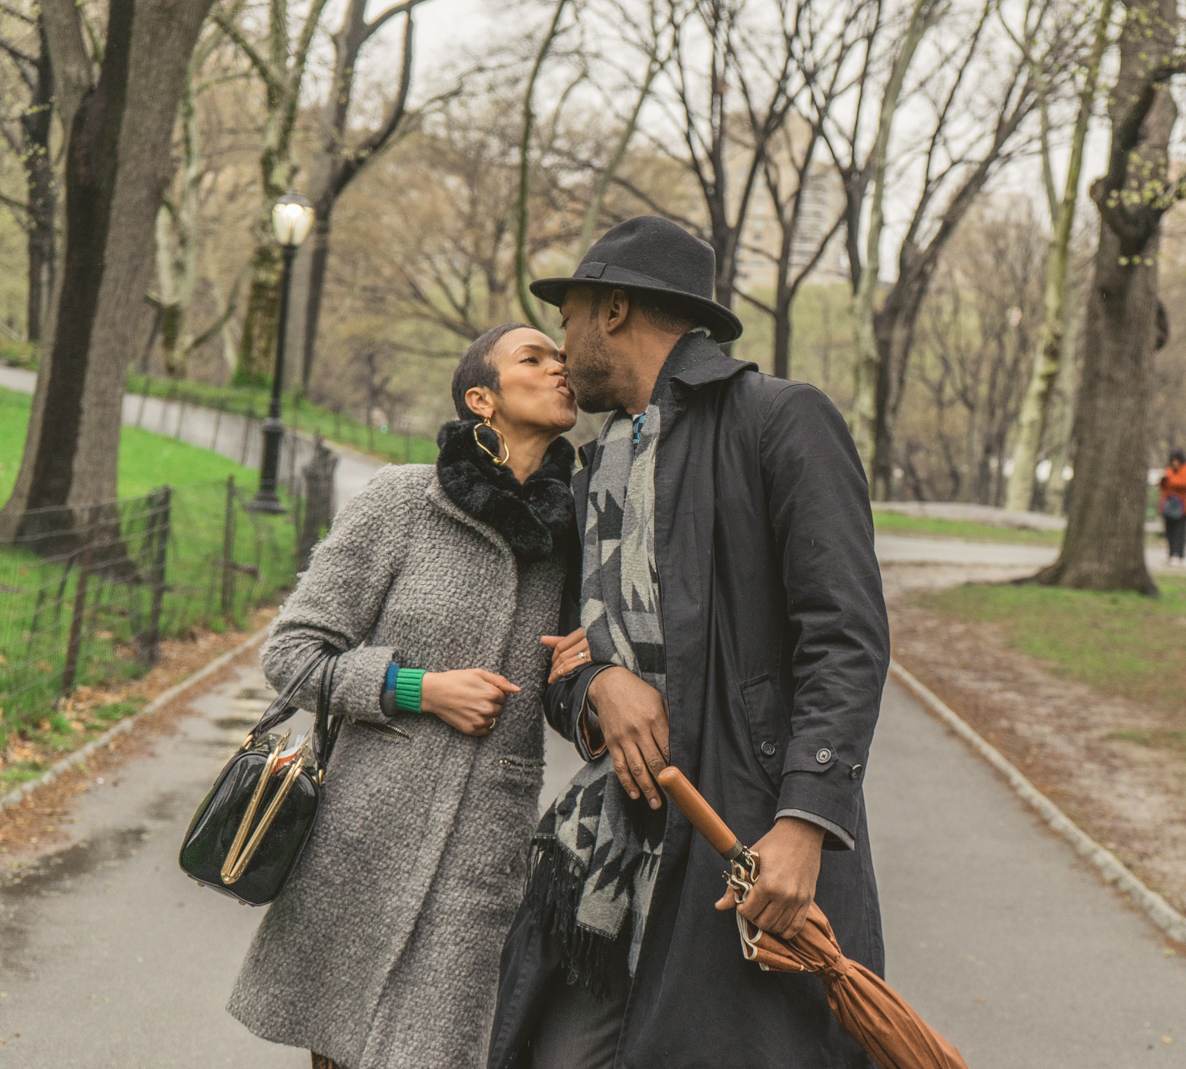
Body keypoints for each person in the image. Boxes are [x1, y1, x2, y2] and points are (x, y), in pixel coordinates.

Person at [490, 216, 891, 1069]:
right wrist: (598, 683)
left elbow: (845, 635)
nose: (560, 348)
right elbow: (562, 657)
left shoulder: (780, 421)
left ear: (617, 309)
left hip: (738, 847)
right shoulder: (594, 466)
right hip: (606, 863)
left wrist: (805, 823)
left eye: (569, 318)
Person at [228, 325, 593, 1069]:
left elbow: (568, 700)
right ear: (481, 399)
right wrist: (416, 688)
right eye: (535, 357)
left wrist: (591, 664)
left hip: (483, 859)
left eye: (562, 358)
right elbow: (291, 655)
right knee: (340, 1050)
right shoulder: (401, 500)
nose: (560, 366)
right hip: (360, 843)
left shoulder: (575, 534)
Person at [1159, 449, 1186, 565]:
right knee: (1170, 532)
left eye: (1176, 460)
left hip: (1184, 507)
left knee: (1180, 533)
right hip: (1170, 506)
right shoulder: (1169, 470)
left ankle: (1181, 555)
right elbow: (1164, 487)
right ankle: (1171, 554)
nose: (1174, 463)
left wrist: (1170, 481)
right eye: (1173, 461)